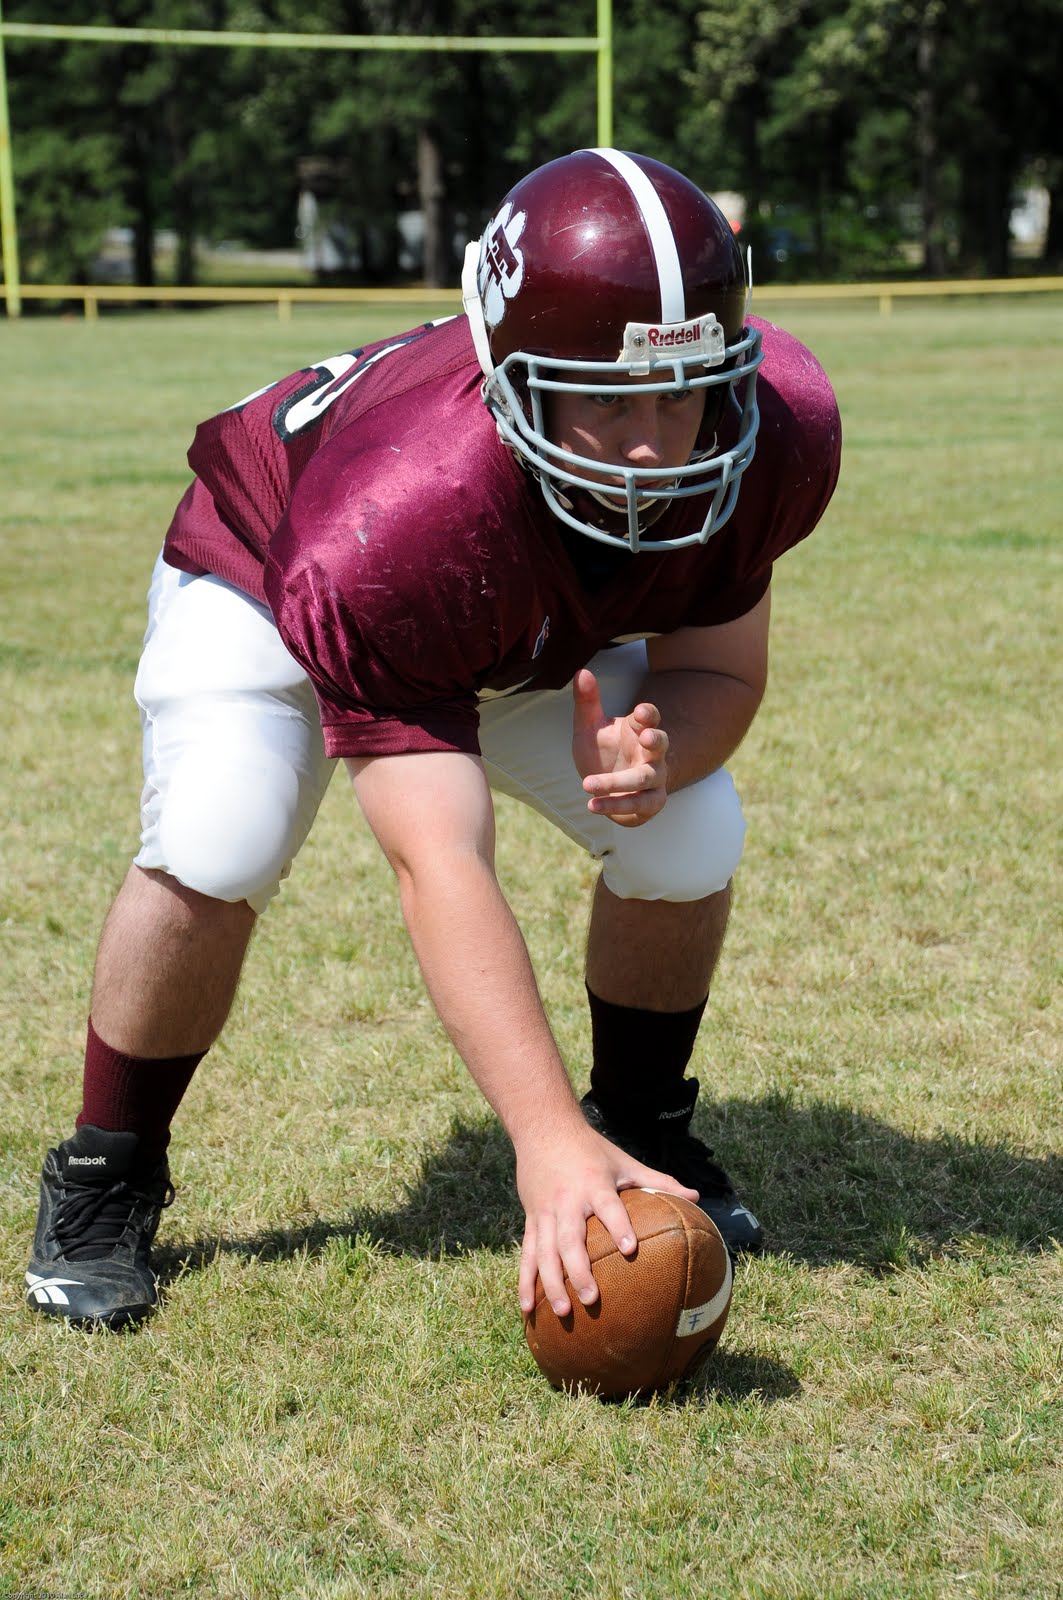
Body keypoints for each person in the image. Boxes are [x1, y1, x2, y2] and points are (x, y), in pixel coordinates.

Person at [25, 147, 841, 1331]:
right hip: (279, 575)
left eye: (682, 391)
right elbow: (438, 859)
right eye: (607, 400)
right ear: (514, 382)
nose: (661, 444)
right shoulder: (394, 514)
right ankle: (106, 1169)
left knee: (689, 834)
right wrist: (539, 1140)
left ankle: (642, 1125)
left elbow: (717, 666)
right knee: (224, 835)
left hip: (508, 612)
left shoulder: (769, 432)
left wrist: (660, 756)